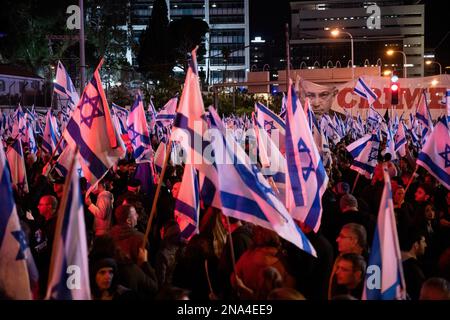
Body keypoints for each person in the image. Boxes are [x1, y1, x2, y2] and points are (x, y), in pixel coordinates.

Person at [400, 227, 427, 300]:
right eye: (423, 241)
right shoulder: (414, 268)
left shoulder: (401, 263)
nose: (425, 245)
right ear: (416, 244)